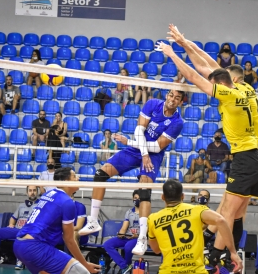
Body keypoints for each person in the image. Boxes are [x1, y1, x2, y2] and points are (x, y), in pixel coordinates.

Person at [159, 25, 258, 273]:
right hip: (254, 155)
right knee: (235, 210)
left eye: (213, 86)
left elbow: (197, 76)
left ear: (222, 85)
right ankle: (227, 255)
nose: (210, 88)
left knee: (227, 210)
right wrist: (185, 43)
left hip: (246, 159)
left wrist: (173, 55)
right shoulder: (243, 87)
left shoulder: (227, 94)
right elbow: (208, 67)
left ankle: (217, 256)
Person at [79, 90, 185, 256]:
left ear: (180, 102)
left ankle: (142, 238)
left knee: (144, 191)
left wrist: (130, 143)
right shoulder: (152, 104)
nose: (173, 99)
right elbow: (138, 131)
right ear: (167, 95)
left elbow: (157, 147)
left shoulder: (177, 122)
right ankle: (93, 221)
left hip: (153, 155)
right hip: (137, 149)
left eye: (177, 98)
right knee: (100, 174)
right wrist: (142, 153)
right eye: (171, 95)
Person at [13, 167, 100, 274]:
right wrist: (85, 265)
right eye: (74, 176)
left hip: (19, 244)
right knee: (81, 272)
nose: (78, 178)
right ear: (65, 181)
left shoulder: (48, 194)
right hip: (35, 247)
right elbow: (69, 239)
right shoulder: (67, 202)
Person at [147, 179, 242, 274]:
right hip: (196, 271)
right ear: (182, 196)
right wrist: (233, 252)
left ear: (162, 197)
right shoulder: (196, 210)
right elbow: (220, 220)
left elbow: (156, 250)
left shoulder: (153, 219)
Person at [226, 64, 258, 206]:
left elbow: (209, 72)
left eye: (226, 77)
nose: (223, 80)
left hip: (256, 148)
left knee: (232, 204)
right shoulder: (249, 88)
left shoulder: (236, 90)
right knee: (241, 203)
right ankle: (216, 228)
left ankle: (213, 229)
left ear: (234, 79)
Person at [0, 186, 38, 269]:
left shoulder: (40, 206)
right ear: (27, 193)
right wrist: (11, 224)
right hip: (16, 230)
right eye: (30, 190)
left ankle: (20, 260)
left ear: (37, 192)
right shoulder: (21, 206)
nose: (32, 192)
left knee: (23, 234)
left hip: (28, 231)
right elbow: (13, 218)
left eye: (34, 190)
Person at [103, 190, 140, 274]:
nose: (137, 200)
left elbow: (147, 230)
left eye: (139, 199)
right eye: (135, 198)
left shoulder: (146, 213)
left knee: (127, 247)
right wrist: (121, 233)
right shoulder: (129, 212)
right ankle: (125, 266)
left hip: (137, 238)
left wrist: (136, 235)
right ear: (132, 199)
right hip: (127, 237)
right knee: (107, 244)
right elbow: (124, 227)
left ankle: (127, 265)